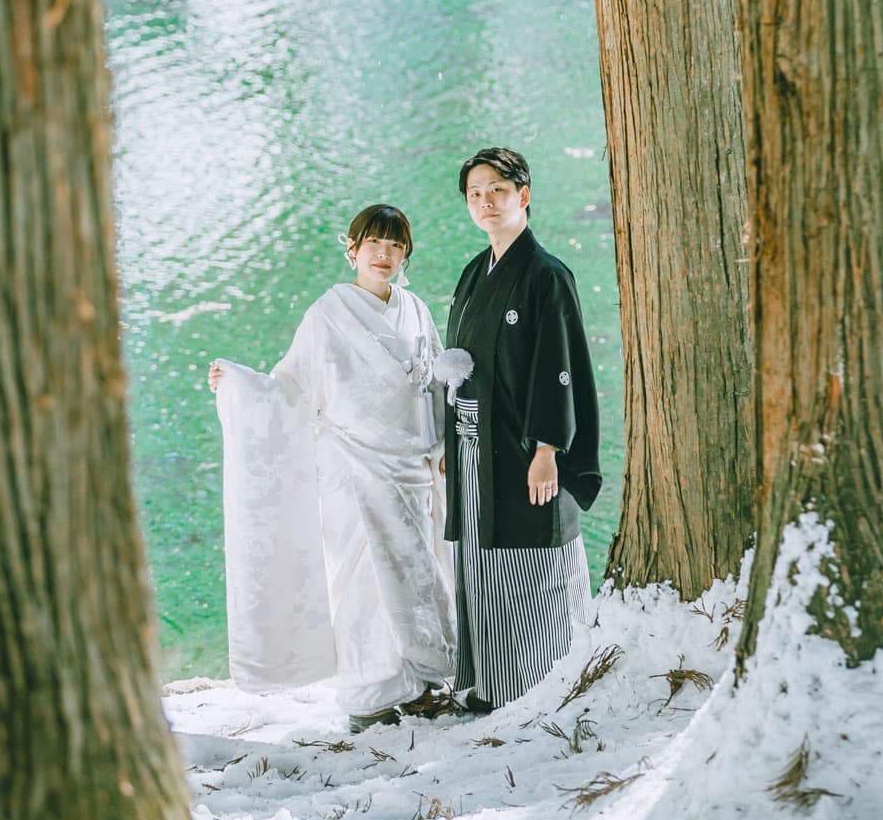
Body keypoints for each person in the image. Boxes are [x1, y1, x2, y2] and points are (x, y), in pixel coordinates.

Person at [208, 205, 455, 733]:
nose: (384, 255)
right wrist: (241, 387)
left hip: (412, 467)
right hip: (354, 467)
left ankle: (417, 684)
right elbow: (292, 387)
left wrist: (444, 447)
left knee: (419, 572)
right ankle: (369, 695)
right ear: (353, 250)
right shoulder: (328, 313)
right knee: (364, 581)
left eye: (395, 246)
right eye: (374, 245)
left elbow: (435, 383)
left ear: (405, 253)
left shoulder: (416, 310)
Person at [444, 147, 601, 713]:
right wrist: (448, 433)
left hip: (523, 449)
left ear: (524, 196)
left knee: (529, 565)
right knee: (481, 562)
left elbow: (559, 368)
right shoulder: (473, 271)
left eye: (498, 191)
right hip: (474, 449)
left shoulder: (547, 276)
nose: (486, 202)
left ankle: (538, 688)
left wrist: (548, 450)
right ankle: (489, 681)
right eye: (476, 194)